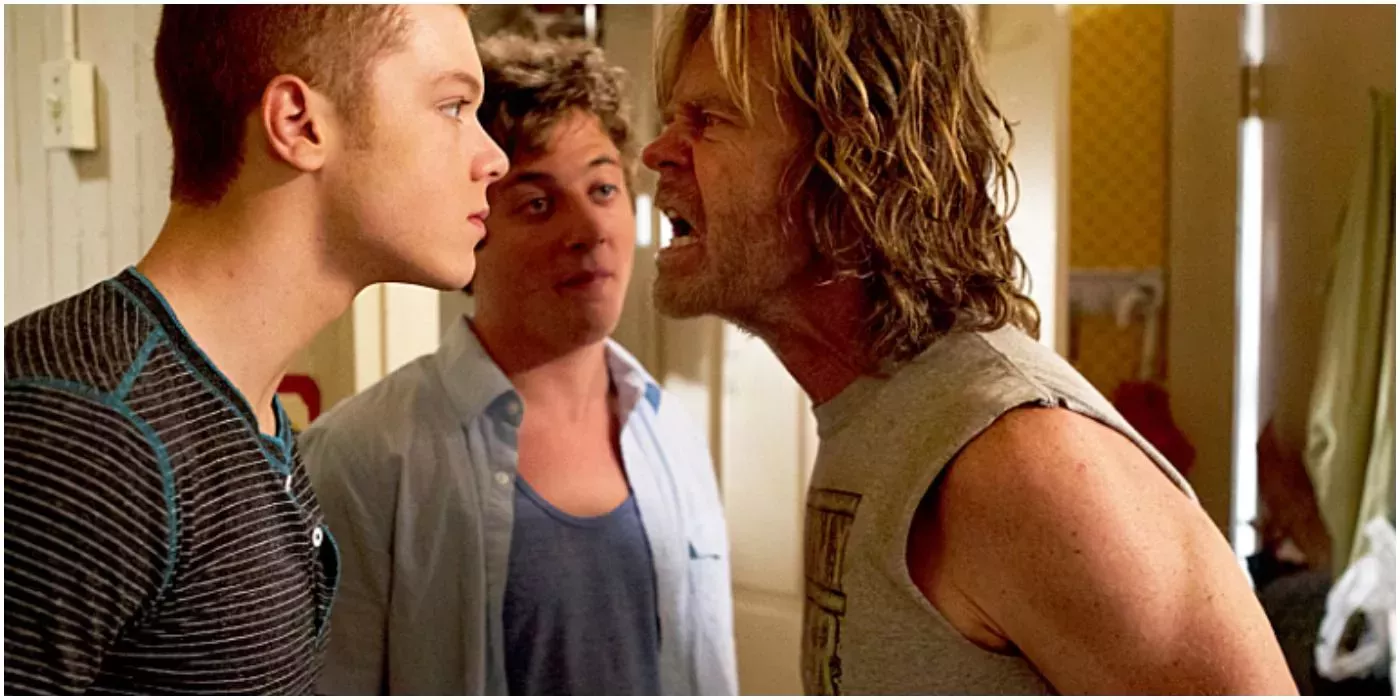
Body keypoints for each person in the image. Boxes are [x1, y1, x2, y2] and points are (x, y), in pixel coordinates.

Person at [642, 5, 1297, 695]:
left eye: (708, 120)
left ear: (854, 156)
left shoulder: (1024, 465)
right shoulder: (870, 421)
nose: (658, 152)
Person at [3, 5, 507, 694]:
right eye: (452, 107)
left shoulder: (246, 411)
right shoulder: (83, 431)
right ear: (299, 123)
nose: (494, 159)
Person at [300, 34, 737, 696]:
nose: (589, 229)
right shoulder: (361, 457)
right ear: (473, 229)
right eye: (538, 203)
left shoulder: (670, 433)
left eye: (603, 188)